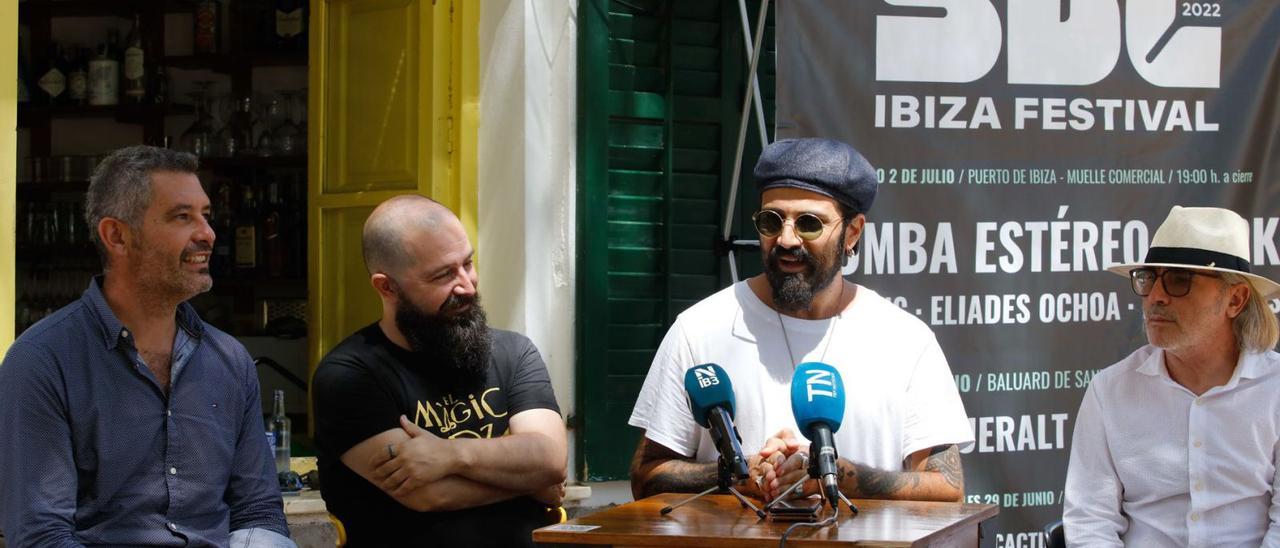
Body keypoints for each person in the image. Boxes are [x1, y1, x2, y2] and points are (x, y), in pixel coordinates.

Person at [628, 138, 972, 503]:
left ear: (852, 232)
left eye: (809, 223)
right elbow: (646, 477)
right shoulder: (699, 329)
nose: (787, 239)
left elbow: (947, 488)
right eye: (771, 221)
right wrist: (737, 473)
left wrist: (847, 477)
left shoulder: (905, 340)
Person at [0, 146, 294, 547]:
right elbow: (41, 536)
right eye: (181, 216)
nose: (207, 233)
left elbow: (258, 510)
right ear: (117, 236)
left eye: (205, 215)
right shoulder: (42, 362)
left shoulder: (229, 360)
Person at [311, 195, 567, 547]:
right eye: (443, 275)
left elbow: (550, 458)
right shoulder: (348, 374)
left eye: (468, 263)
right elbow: (428, 494)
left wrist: (448, 454)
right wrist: (528, 481)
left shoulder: (513, 352)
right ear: (387, 287)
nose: (466, 285)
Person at [1064, 206, 1280, 547]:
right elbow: (1090, 521)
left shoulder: (1274, 390)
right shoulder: (1110, 390)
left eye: (1180, 280)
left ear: (1235, 299)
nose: (1156, 297)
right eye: (1149, 278)